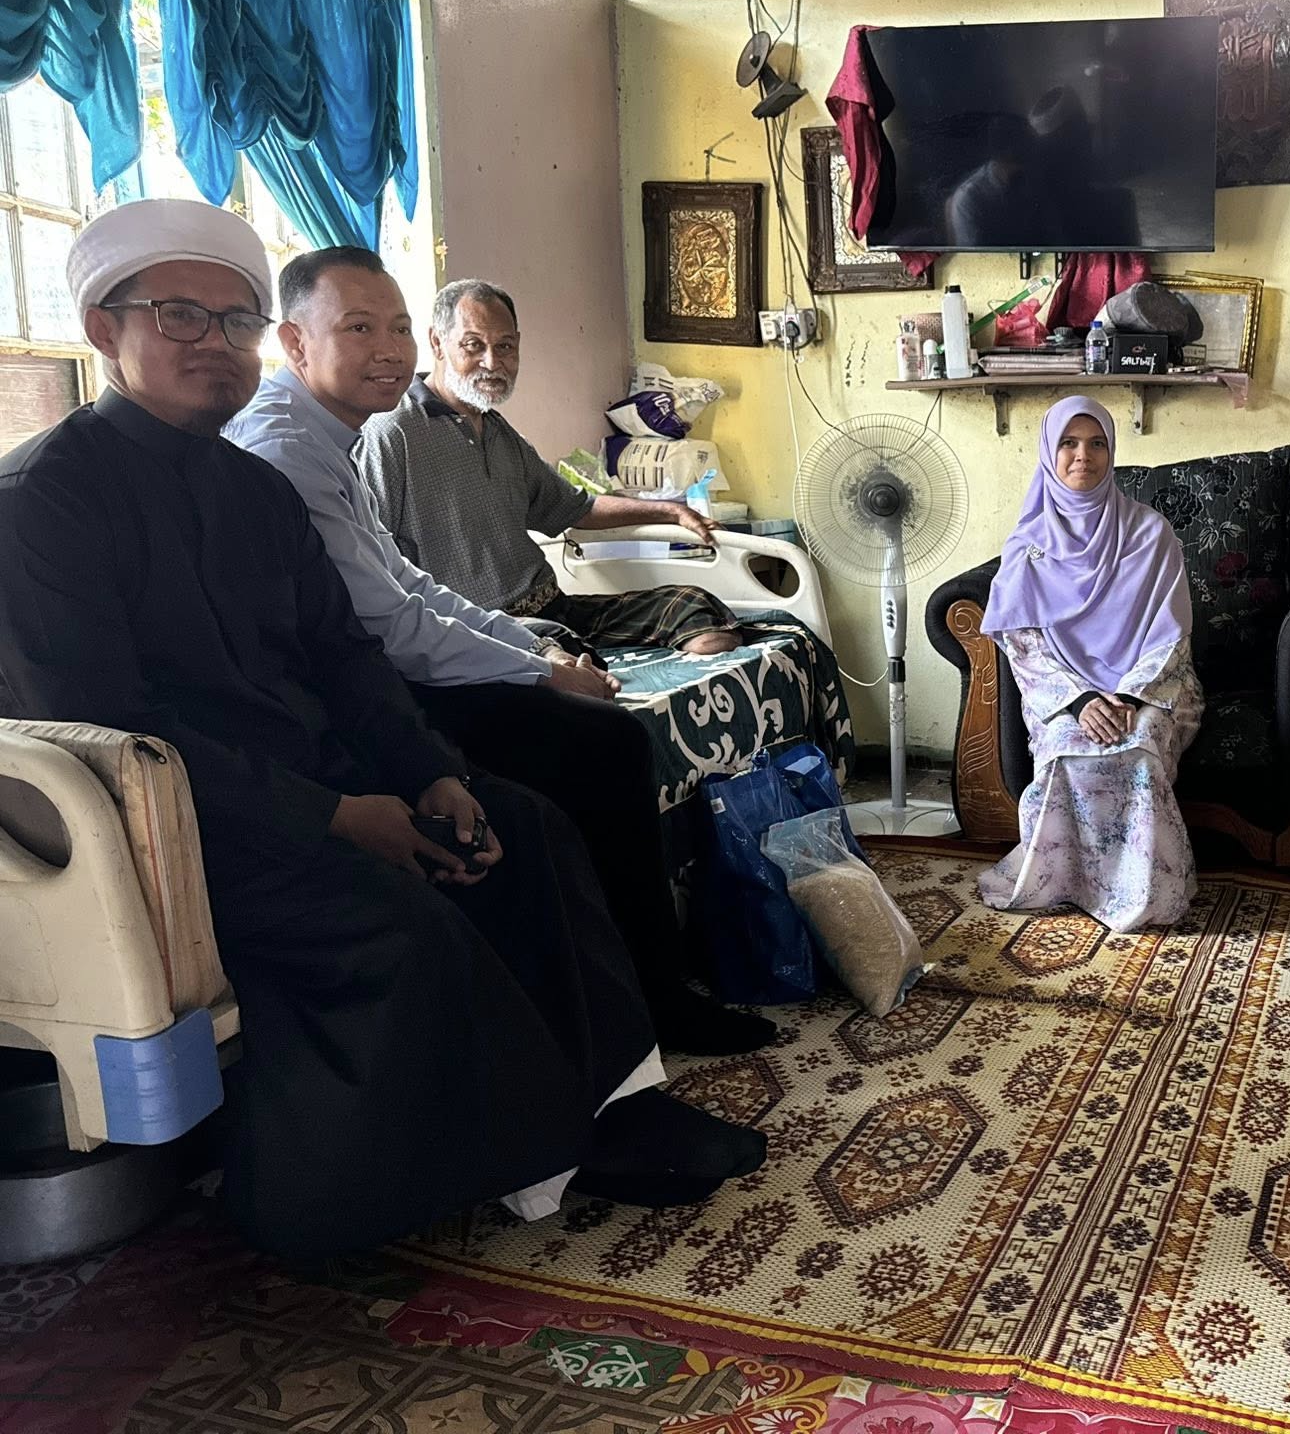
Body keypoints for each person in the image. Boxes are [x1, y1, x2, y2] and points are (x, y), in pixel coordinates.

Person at [0, 200, 764, 1256]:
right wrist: (335, 818)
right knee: (398, 916)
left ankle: (615, 1107)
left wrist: (428, 772)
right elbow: (114, 733)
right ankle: (501, 1161)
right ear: (102, 328)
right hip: (184, 829)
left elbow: (345, 655)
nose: (215, 343)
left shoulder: (254, 490)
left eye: (234, 321)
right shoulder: (41, 501)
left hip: (321, 782)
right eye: (181, 316)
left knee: (522, 827)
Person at [224, 246, 770, 1056]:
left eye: (397, 327)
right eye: (360, 328)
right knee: (603, 743)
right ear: (295, 343)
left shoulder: (336, 435)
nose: (388, 349)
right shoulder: (298, 450)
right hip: (344, 709)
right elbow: (393, 626)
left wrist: (533, 648)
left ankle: (651, 981)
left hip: (406, 661)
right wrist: (544, 672)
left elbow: (407, 582)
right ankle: (649, 1000)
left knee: (614, 701)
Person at [351, 276, 741, 653]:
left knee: (697, 611)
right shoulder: (393, 432)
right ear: (437, 343)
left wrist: (670, 511)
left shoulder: (498, 432)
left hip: (553, 610)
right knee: (559, 658)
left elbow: (577, 508)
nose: (492, 362)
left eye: (505, 346)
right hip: (479, 630)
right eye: (473, 345)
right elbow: (370, 563)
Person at [976, 398, 1202, 932]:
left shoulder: (1150, 534)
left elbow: (1171, 637)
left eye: (1097, 443)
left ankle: (1144, 893)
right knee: (1066, 747)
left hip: (1153, 689)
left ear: (1111, 451)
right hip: (1065, 693)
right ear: (1049, 452)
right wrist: (1079, 701)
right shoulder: (1028, 546)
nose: (1084, 455)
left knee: (1139, 746)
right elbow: (1024, 647)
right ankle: (1068, 882)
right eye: (1069, 443)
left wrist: (1129, 697)